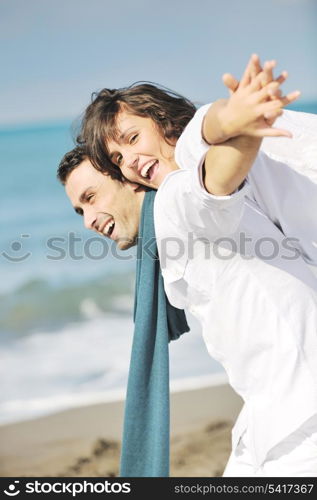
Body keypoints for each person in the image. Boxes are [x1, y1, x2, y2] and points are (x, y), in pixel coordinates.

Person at [70, 57, 317, 476]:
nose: (129, 162)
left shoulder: (177, 192)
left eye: (91, 197)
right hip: (268, 420)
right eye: (117, 159)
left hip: (300, 422)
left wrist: (236, 120)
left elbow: (214, 151)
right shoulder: (188, 189)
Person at [80, 55, 317, 266]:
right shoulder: (194, 188)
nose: (129, 161)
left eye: (133, 138)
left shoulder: (191, 143)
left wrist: (233, 115)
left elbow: (212, 122)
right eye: (118, 159)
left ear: (165, 121)